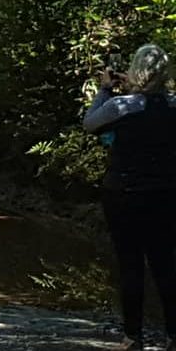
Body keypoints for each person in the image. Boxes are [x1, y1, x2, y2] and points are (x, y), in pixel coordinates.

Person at [83, 44, 176, 351]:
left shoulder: (121, 106)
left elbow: (90, 123)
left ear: (137, 70)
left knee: (130, 265)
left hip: (123, 194)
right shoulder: (173, 104)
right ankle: (172, 334)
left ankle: (132, 336)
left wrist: (106, 90)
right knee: (165, 263)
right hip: (165, 193)